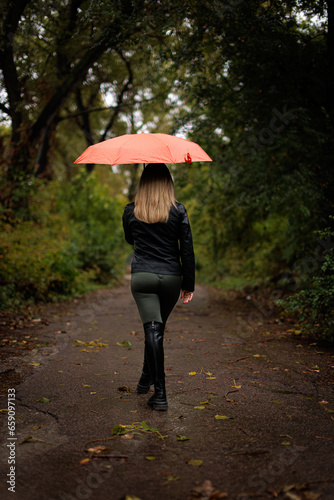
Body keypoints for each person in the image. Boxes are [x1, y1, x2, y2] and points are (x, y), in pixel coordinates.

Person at [122, 163, 195, 411]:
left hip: (143, 277)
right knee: (156, 329)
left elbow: (130, 238)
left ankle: (160, 393)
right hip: (172, 277)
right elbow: (187, 248)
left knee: (152, 329)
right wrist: (189, 283)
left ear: (143, 183)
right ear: (168, 183)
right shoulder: (179, 211)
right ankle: (146, 379)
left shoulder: (131, 211)